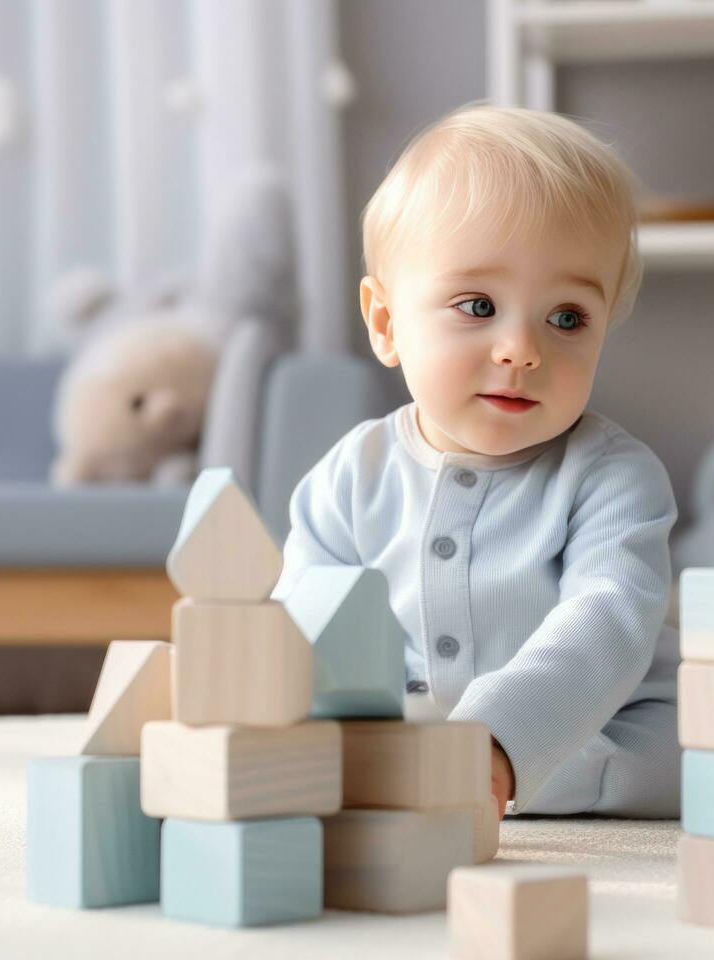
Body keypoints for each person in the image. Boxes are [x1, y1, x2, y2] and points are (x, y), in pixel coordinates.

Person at [270, 102, 679, 819]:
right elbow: (307, 615)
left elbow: (606, 619)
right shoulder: (348, 479)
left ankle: (503, 773)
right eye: (479, 306)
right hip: (409, 725)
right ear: (386, 323)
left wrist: (497, 737)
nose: (523, 348)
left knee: (685, 758)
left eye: (567, 318)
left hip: (606, 723)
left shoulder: (613, 475)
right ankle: (425, 767)